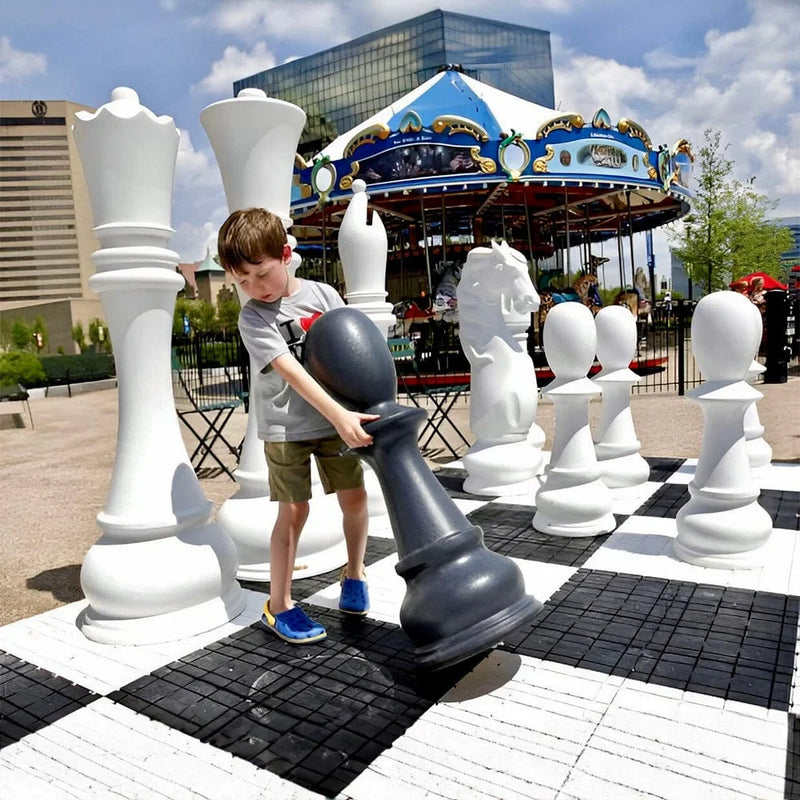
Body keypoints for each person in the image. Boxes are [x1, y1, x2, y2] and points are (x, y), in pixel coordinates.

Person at [217, 207, 378, 644]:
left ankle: (355, 572)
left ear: (286, 254)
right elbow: (290, 370)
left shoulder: (324, 297)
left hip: (334, 421)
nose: (253, 288)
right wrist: (340, 414)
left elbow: (351, 350)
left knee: (355, 498)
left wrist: (359, 406)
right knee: (294, 510)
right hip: (287, 426)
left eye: (260, 274)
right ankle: (280, 603)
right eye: (242, 281)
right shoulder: (252, 317)